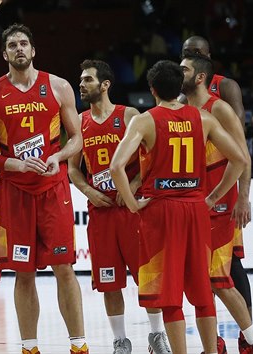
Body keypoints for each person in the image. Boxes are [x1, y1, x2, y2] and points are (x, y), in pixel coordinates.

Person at [110, 60, 247, 354]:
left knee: (169, 295)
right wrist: (212, 198)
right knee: (202, 292)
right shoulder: (203, 118)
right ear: (179, 87)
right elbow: (240, 160)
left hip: (161, 210)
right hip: (196, 209)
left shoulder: (144, 120)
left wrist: (133, 205)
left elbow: (116, 167)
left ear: (152, 89)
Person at [0, 23, 87, 354]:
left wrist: (59, 156)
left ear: (33, 50)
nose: (19, 48)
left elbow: (76, 137)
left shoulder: (59, 86)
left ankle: (79, 346)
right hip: (15, 190)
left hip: (53, 187)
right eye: (12, 45)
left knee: (64, 268)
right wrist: (15, 164)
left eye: (24, 43)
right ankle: (29, 347)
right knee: (23, 273)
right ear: (4, 53)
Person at [68, 59, 170, 354]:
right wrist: (87, 189)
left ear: (105, 84)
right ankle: (120, 341)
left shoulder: (129, 115)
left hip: (132, 211)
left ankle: (156, 335)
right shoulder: (79, 121)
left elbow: (151, 158)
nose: (82, 85)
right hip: (101, 214)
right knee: (110, 283)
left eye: (87, 80)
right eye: (81, 80)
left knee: (147, 279)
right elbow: (73, 168)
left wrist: (133, 187)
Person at [180, 53, 253, 354]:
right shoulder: (182, 109)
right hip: (194, 202)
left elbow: (242, 157)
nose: (179, 72)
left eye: (184, 69)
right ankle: (213, 343)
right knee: (203, 279)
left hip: (218, 201)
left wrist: (241, 198)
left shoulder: (220, 110)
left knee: (219, 276)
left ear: (200, 77)